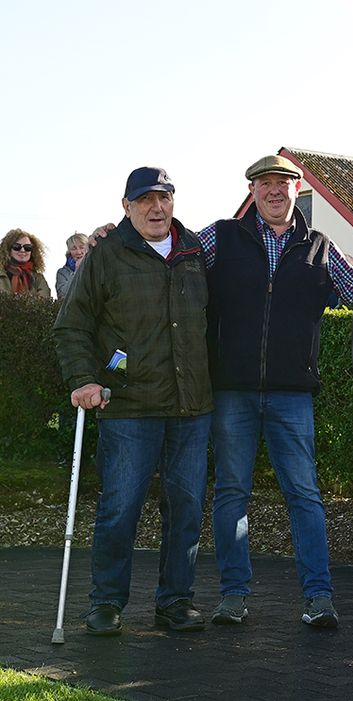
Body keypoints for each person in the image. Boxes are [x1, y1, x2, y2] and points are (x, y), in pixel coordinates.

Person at [201, 155, 353, 628]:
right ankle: (233, 596)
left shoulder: (319, 246)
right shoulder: (222, 236)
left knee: (304, 495)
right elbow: (176, 262)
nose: (274, 190)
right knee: (231, 494)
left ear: (298, 189)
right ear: (252, 191)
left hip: (292, 394)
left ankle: (319, 598)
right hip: (232, 391)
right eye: (265, 183)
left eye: (283, 182)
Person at [52, 167, 213, 636]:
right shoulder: (106, 254)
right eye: (144, 200)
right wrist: (83, 379)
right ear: (126, 206)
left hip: (191, 407)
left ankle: (176, 601)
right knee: (120, 509)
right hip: (128, 406)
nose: (156, 208)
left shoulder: (195, 251)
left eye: (164, 197)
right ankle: (105, 603)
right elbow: (71, 325)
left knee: (186, 509)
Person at [1, 229, 50, 298]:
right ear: (8, 250)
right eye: (17, 247)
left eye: (27, 247)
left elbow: (43, 300)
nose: (22, 250)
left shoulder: (38, 279)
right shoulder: (1, 274)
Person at [55, 232, 88, 299]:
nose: (78, 252)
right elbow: (62, 294)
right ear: (69, 251)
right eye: (74, 249)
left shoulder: (97, 267)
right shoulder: (62, 273)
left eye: (82, 247)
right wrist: (77, 271)